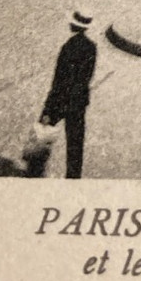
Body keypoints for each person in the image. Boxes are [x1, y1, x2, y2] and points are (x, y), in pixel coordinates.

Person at [40, 11, 98, 180]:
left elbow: (59, 79)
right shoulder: (92, 47)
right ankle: (73, 178)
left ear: (74, 25)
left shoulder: (67, 47)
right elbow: (87, 76)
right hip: (79, 101)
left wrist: (49, 105)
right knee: (75, 142)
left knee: (42, 132)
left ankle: (35, 170)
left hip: (60, 100)